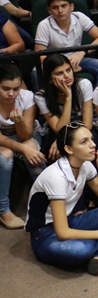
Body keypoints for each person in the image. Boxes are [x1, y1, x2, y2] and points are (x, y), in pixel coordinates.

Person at [25, 121, 98, 274]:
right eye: (84, 142)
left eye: (91, 139)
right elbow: (63, 233)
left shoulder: (85, 165)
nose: (92, 145)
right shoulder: (56, 177)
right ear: (69, 149)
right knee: (81, 250)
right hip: (45, 235)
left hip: (70, 221)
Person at [0, 64, 47, 229]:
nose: (11, 94)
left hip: (27, 134)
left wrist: (19, 121)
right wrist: (22, 148)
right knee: (4, 157)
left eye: (16, 89)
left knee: (32, 153)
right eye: (5, 88)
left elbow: (26, 135)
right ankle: (3, 210)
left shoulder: (27, 97)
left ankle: (49, 200)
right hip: (3, 141)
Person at [34, 0, 98, 84]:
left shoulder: (79, 17)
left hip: (77, 59)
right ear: (49, 10)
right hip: (55, 63)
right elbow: (40, 55)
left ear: (71, 6)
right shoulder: (44, 25)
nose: (60, 11)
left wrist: (82, 53)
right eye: (55, 7)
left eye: (63, 6)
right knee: (36, 73)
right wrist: (65, 66)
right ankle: (44, 99)